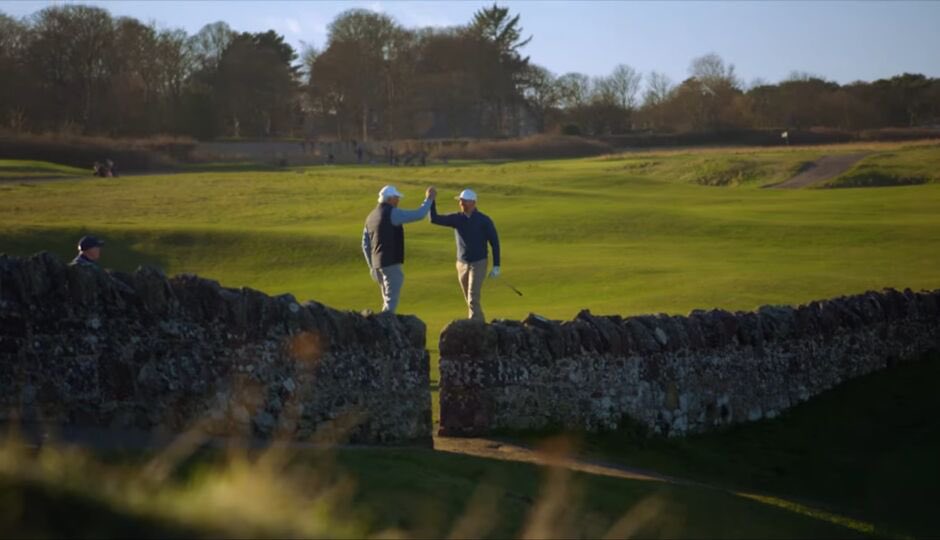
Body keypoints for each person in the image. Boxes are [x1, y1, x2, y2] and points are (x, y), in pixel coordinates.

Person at [362, 184, 437, 313]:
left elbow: (365, 244)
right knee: (391, 303)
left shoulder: (370, 216)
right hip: (390, 262)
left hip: (377, 264)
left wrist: (372, 266)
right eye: (397, 198)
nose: (398, 200)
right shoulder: (392, 213)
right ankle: (386, 328)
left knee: (386, 299)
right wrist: (429, 199)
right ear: (390, 199)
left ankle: (381, 325)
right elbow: (419, 214)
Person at [429, 188, 501, 321]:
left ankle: (474, 324)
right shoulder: (457, 218)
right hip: (461, 264)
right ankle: (480, 323)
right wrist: (430, 200)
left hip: (479, 263)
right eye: (460, 201)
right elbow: (434, 219)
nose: (461, 204)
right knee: (469, 298)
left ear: (473, 203)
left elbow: (495, 242)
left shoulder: (484, 220)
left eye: (464, 201)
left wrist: (496, 265)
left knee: (473, 297)